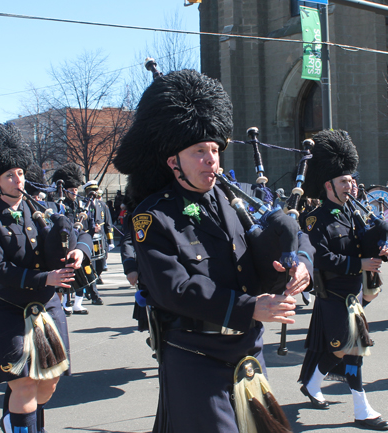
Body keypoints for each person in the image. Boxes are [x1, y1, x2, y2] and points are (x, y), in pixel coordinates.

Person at [113, 69, 314, 433]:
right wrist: (249, 307)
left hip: (248, 350)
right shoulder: (153, 216)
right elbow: (173, 288)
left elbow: (293, 236)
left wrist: (301, 263)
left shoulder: (232, 200)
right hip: (195, 356)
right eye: (199, 151)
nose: (212, 160)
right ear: (173, 162)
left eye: (215, 150)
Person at [0, 123, 92, 433]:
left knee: (49, 382)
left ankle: (12, 420)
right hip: (7, 307)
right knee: (25, 385)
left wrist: (80, 251)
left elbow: (82, 233)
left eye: (19, 173)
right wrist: (46, 278)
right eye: (9, 176)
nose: (18, 180)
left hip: (47, 307)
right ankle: (24, 425)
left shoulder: (42, 210)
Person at [299, 129, 388, 431]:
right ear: (329, 185)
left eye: (351, 180)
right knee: (350, 348)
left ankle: (312, 384)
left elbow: (363, 244)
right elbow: (321, 258)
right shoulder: (317, 219)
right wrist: (358, 263)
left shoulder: (351, 213)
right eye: (344, 181)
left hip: (354, 295)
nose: (350, 185)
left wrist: (382, 250)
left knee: (344, 348)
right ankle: (361, 409)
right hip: (333, 296)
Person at [51, 163, 95, 314]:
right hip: (65, 244)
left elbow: (88, 223)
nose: (74, 193)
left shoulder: (81, 205)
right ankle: (65, 303)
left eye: (76, 189)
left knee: (82, 275)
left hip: (79, 244)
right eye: (71, 190)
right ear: (65, 190)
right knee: (66, 277)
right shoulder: (60, 205)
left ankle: (77, 303)